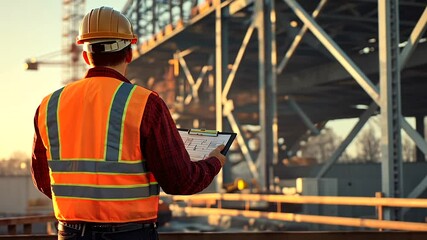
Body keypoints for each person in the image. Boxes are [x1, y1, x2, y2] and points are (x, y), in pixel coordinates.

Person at [31, 6, 226, 240]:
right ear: (129, 54)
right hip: (130, 234)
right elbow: (180, 182)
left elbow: (44, 182)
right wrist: (214, 161)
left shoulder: (49, 105)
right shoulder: (146, 103)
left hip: (70, 234)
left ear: (85, 56)